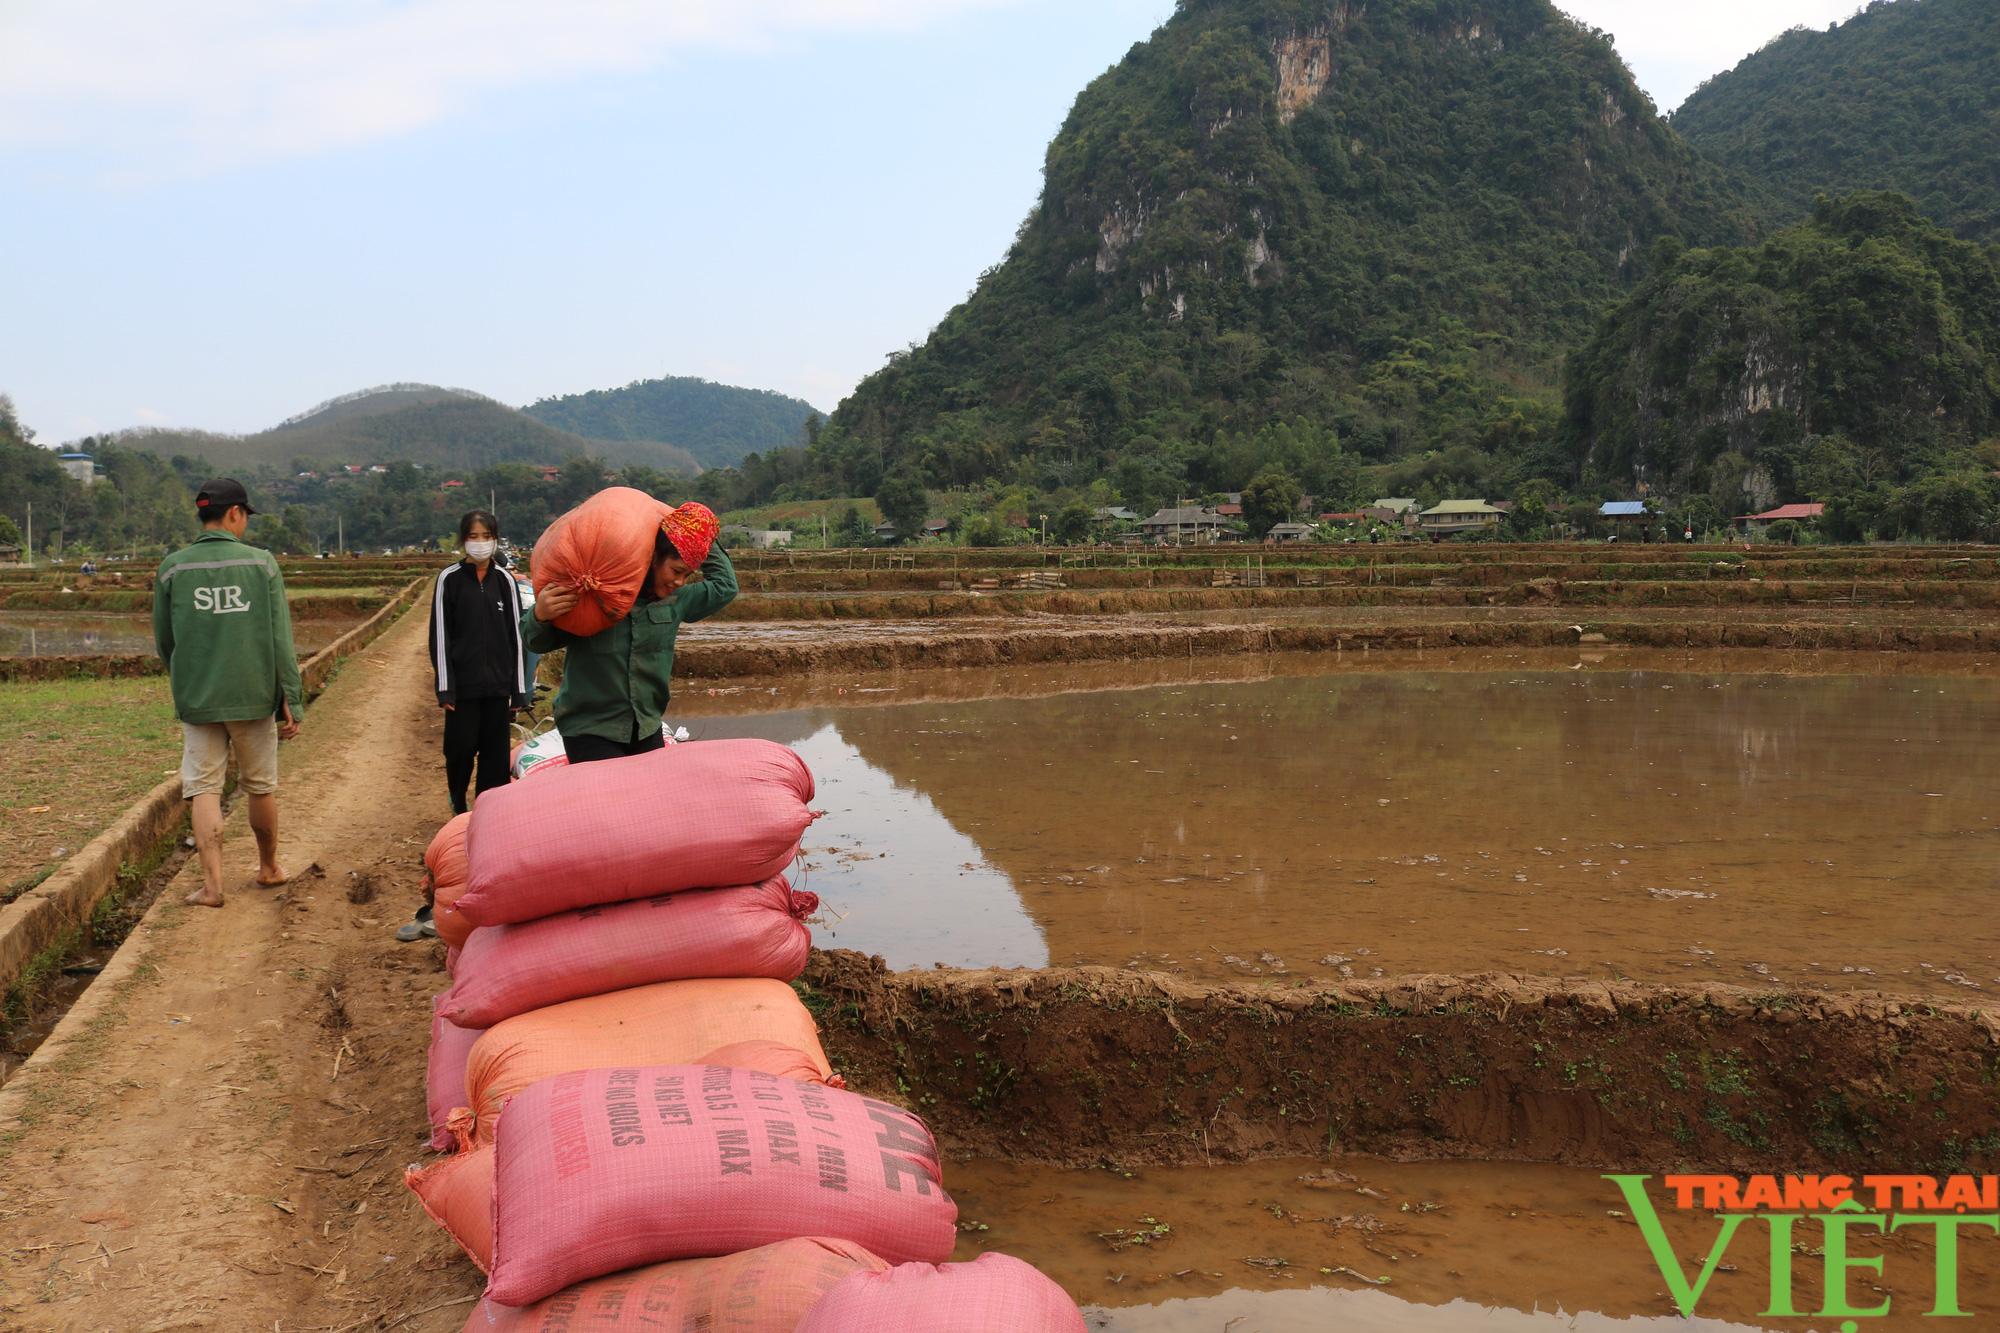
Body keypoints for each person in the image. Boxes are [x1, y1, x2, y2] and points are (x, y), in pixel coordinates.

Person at [152, 478, 302, 908]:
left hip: (199, 699)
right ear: (235, 513)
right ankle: (269, 867)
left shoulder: (174, 567)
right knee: (260, 787)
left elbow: (165, 640)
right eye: (245, 517)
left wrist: (187, 676)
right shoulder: (262, 564)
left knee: (203, 788)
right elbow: (280, 639)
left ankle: (213, 887)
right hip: (253, 695)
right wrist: (291, 695)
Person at [523, 503, 733, 764]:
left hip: (645, 725)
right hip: (590, 730)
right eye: (676, 571)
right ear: (653, 557)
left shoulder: (677, 601)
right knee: (606, 803)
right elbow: (536, 641)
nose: (679, 581)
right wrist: (540, 614)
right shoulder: (594, 596)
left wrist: (698, 532)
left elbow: (725, 586)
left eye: (687, 575)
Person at [429, 511, 529, 814]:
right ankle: (458, 801)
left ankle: (487, 811)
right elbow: (440, 636)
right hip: (464, 688)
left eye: (486, 536)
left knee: (495, 757)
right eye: (474, 536)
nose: (481, 543)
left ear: (495, 539)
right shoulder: (449, 580)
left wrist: (519, 689)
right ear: (463, 540)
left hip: (499, 688)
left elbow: (517, 635)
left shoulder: (506, 581)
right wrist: (445, 688)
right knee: (459, 752)